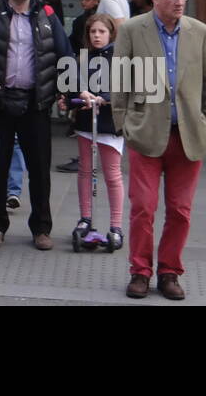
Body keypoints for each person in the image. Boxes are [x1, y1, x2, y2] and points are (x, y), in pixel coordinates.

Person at [115, 0, 206, 301]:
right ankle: (140, 272)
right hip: (145, 134)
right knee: (143, 208)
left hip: (187, 137)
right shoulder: (133, 30)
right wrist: (124, 124)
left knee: (180, 210)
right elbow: (120, 81)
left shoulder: (200, 32)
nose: (180, 3)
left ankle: (170, 272)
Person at [0, 0, 70, 251]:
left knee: (40, 169)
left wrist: (68, 90)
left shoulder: (47, 13)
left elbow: (64, 54)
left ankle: (41, 229)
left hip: (35, 102)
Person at [63, 14, 124, 251]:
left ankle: (116, 225)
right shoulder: (82, 59)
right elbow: (71, 87)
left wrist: (105, 97)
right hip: (87, 122)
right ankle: (85, 218)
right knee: (85, 171)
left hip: (109, 124)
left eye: (102, 31)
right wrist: (77, 96)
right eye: (93, 32)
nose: (97, 36)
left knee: (112, 174)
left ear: (111, 33)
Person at [56, 0, 100, 174]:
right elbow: (72, 43)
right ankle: (85, 157)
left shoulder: (97, 19)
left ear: (97, 0)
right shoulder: (79, 21)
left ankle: (87, 157)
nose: (84, 2)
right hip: (83, 65)